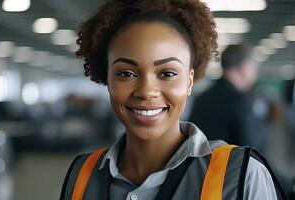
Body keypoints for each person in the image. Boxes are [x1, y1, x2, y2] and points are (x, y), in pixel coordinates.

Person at [60, 0, 288, 199]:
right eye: (126, 73)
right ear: (108, 79)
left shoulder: (241, 175)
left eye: (167, 74)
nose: (147, 91)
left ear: (189, 82)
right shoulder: (82, 175)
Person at [189, 44, 269, 153]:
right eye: (253, 66)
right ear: (243, 66)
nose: (255, 72)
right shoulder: (241, 100)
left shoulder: (203, 96)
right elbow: (250, 149)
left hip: (201, 166)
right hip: (229, 167)